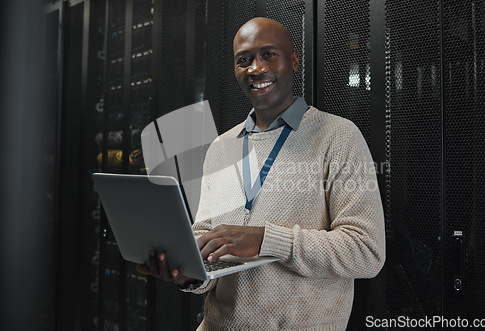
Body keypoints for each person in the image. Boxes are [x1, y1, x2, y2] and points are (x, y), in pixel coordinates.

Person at [137, 17, 385, 330]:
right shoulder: (222, 146)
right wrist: (188, 272)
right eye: (244, 60)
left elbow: (366, 251)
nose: (256, 69)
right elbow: (205, 239)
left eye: (269, 54)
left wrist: (266, 239)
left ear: (293, 61)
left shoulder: (337, 137)